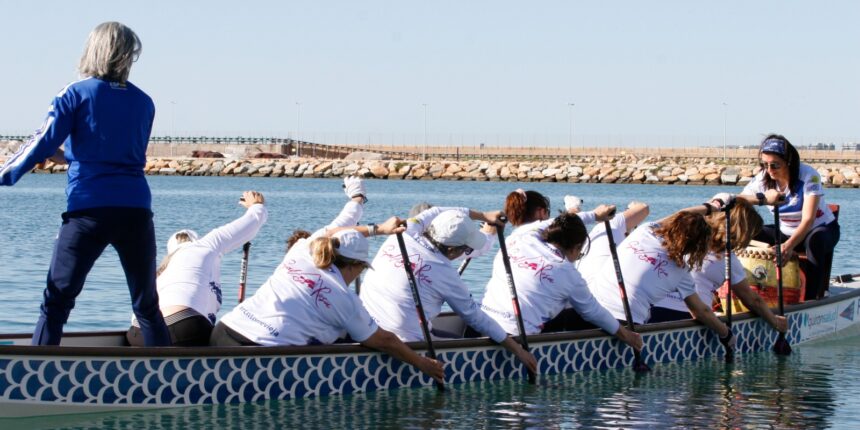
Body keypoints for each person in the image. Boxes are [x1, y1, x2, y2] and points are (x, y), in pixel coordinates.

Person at [0, 22, 170, 346]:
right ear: (127, 56)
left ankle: (37, 378)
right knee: (146, 305)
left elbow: (39, 142)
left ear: (92, 51)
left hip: (88, 211)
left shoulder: (73, 93)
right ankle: (170, 381)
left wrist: (5, 175)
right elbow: (115, 155)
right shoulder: (145, 102)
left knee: (56, 302)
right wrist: (66, 158)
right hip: (135, 210)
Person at [210, 218, 445, 383]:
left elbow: (330, 232)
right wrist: (424, 364)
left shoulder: (302, 250)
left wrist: (379, 229)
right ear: (356, 266)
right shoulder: (344, 299)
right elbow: (385, 341)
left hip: (222, 332)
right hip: (255, 355)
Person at [359, 207, 538, 375]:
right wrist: (518, 350)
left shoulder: (406, 231)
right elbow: (476, 317)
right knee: (470, 337)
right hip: (407, 344)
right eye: (466, 249)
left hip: (365, 326)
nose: (467, 252)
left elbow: (436, 210)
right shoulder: (446, 274)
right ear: (452, 250)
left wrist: (484, 215)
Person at [479, 213, 643, 352]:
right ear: (577, 247)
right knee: (569, 307)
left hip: (477, 324)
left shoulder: (520, 237)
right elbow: (594, 312)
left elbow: (550, 222)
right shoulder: (568, 273)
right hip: (514, 339)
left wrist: (594, 215)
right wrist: (627, 335)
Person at [125, 191, 268, 346]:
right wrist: (256, 206)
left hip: (138, 334)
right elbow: (252, 222)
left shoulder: (161, 272)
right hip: (183, 326)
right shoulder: (203, 245)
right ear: (195, 240)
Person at [585, 210, 736, 348]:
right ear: (696, 246)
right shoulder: (681, 271)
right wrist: (725, 334)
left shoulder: (645, 230)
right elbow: (700, 311)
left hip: (588, 310)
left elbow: (679, 213)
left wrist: (711, 206)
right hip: (625, 325)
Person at [649, 198, 788, 334]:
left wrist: (760, 200)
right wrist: (775, 321)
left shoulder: (685, 237)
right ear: (743, 233)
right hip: (690, 317)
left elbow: (724, 199)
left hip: (652, 310)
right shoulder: (728, 259)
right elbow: (752, 300)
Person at [740, 134, 840, 300]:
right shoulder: (763, 178)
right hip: (785, 231)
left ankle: (811, 299)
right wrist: (762, 199)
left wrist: (788, 246)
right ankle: (750, 290)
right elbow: (740, 200)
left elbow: (808, 219)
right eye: (765, 165)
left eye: (775, 165)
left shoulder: (809, 175)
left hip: (819, 230)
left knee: (815, 241)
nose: (770, 170)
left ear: (789, 162)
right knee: (745, 233)